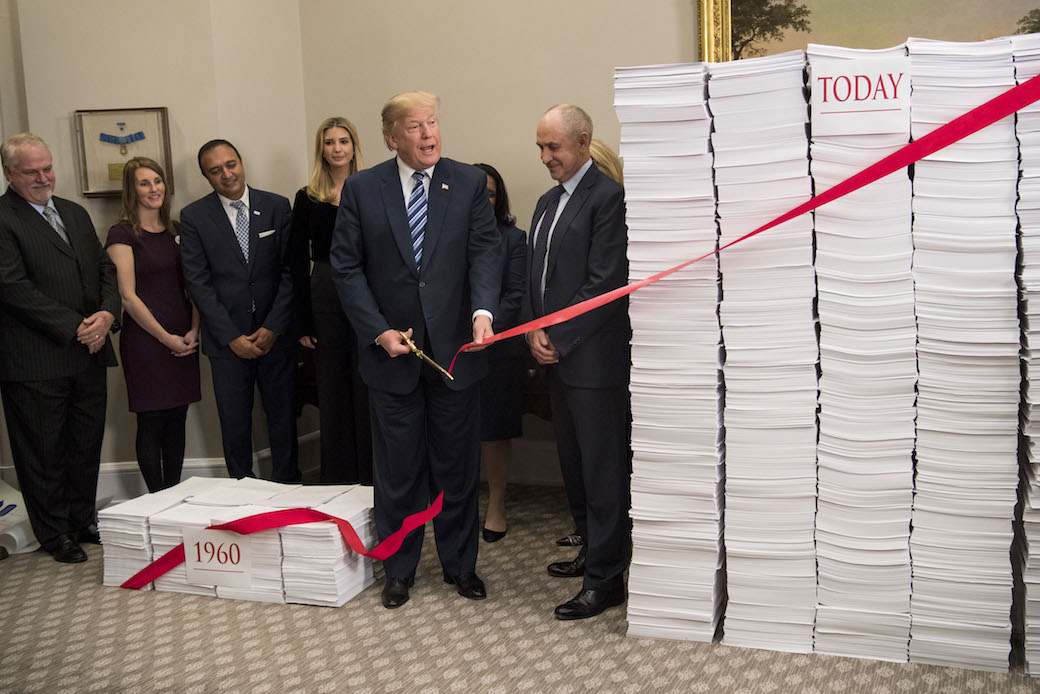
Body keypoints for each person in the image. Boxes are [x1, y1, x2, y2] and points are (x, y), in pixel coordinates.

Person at [330, 91, 502, 609]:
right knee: (399, 469)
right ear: (390, 136)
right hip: (391, 352)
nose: (428, 135)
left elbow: (485, 253)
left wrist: (483, 314)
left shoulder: (468, 181)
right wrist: (377, 329)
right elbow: (345, 267)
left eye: (432, 123)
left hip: (456, 353)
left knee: (455, 465)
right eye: (414, 127)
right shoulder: (362, 189)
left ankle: (459, 565)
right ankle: (398, 568)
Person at [526, 105, 631, 620]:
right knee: (574, 466)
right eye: (541, 148)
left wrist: (559, 337)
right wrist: (533, 331)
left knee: (603, 469)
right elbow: (532, 278)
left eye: (554, 148)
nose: (546, 158)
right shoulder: (546, 203)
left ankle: (608, 577)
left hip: (594, 363)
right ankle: (592, 550)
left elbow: (606, 284)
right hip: (556, 359)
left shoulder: (608, 199)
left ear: (584, 142)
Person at [0, 132, 120, 563]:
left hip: (88, 352)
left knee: (84, 443)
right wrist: (77, 327)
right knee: (43, 452)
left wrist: (107, 315)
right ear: (9, 174)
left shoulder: (74, 212)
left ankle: (82, 518)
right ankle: (56, 534)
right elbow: (12, 287)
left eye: (47, 167)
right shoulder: (3, 219)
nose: (43, 177)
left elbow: (106, 269)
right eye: (31, 171)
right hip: (35, 359)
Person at [180, 139, 301, 483]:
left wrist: (274, 326)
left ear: (241, 162)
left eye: (230, 164)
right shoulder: (193, 217)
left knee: (282, 417)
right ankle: (241, 490)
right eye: (215, 170)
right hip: (226, 341)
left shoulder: (277, 206)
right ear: (206, 176)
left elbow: (290, 273)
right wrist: (231, 336)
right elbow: (198, 283)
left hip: (275, 336)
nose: (226, 174)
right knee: (234, 422)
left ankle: (288, 485)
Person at [105, 157, 201, 493]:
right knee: (152, 419)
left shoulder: (178, 230)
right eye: (144, 183)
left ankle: (173, 495)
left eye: (157, 181)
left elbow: (196, 286)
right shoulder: (121, 233)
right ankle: (155, 500)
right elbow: (127, 297)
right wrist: (166, 339)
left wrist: (193, 331)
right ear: (131, 191)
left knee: (178, 417)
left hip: (185, 335)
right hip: (147, 341)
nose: (153, 189)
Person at [290, 117, 372, 484]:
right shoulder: (307, 197)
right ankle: (339, 478)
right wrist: (303, 322)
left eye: (343, 141)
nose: (337, 148)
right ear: (320, 149)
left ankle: (372, 475)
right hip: (325, 290)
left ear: (355, 146)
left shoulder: (373, 189)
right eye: (329, 142)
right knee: (334, 387)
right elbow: (294, 260)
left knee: (367, 382)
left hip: (369, 290)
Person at [472, 163, 526, 543]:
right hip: (452, 347)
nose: (483, 200)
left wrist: (488, 328)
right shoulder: (442, 236)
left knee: (494, 430)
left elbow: (516, 293)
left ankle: (496, 504)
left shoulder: (513, 238)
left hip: (498, 346)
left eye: (489, 193)